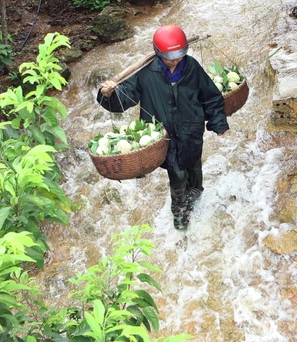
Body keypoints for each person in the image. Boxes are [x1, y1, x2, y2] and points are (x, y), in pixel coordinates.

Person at [97, 25, 229, 231]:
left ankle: (196, 193)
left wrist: (218, 121)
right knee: (177, 173)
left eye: (179, 55)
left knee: (194, 164)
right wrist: (109, 95)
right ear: (158, 54)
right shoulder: (145, 73)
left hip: (191, 129)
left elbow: (210, 96)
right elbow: (124, 98)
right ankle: (179, 211)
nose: (175, 60)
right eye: (170, 57)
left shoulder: (191, 66)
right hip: (164, 136)